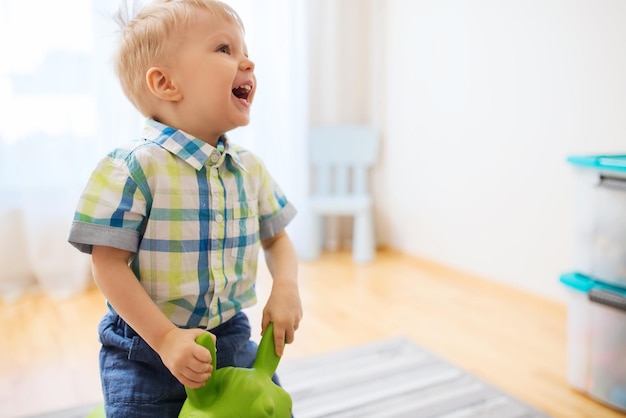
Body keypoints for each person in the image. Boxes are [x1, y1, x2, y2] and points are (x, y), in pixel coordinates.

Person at [67, 1, 302, 416]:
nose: (247, 61)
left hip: (230, 338)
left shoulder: (249, 169)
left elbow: (278, 239)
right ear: (165, 83)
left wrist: (285, 288)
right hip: (145, 350)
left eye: (244, 49)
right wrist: (165, 339)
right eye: (225, 49)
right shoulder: (131, 167)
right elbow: (107, 265)